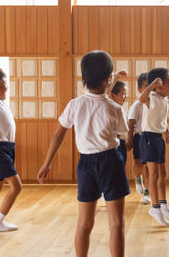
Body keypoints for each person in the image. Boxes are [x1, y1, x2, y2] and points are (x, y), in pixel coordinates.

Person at [37, 51, 130, 257]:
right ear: (108, 79)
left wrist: (47, 163)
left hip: (85, 164)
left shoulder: (74, 104)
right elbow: (122, 135)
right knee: (116, 223)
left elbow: (58, 135)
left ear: (84, 78)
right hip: (110, 161)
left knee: (84, 223)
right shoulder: (115, 108)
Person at [139, 68, 169, 226]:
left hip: (158, 139)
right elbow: (141, 99)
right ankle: (154, 207)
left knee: (162, 173)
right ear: (159, 85)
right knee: (154, 174)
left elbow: (161, 117)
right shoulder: (150, 97)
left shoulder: (163, 99)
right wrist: (152, 84)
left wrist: (168, 133)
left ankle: (162, 204)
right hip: (148, 138)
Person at [0, 69, 22, 232]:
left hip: (7, 148)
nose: (7, 87)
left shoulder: (0, 102)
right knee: (16, 186)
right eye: (5, 84)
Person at [127, 73, 151, 204]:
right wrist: (130, 140)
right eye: (146, 87)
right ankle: (137, 179)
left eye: (151, 87)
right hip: (139, 137)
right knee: (138, 163)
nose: (149, 90)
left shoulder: (153, 102)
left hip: (150, 137)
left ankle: (147, 192)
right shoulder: (137, 105)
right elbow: (131, 123)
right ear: (139, 89)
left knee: (149, 166)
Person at [109, 80, 129, 166]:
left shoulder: (120, 109)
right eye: (123, 93)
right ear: (113, 95)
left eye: (126, 93)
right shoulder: (114, 109)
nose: (125, 96)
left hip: (121, 143)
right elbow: (117, 133)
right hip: (116, 145)